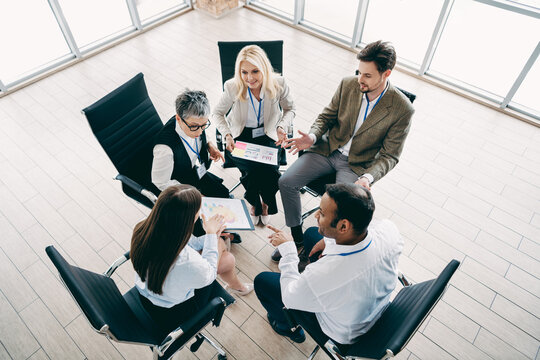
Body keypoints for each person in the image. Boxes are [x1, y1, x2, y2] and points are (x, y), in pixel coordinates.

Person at [275, 40, 413, 262]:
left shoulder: (402, 109)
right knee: (286, 181)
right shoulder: (348, 84)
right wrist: (311, 136)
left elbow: (390, 156)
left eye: (367, 75)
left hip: (357, 165)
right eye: (359, 72)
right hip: (328, 149)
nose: (360, 79)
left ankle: (326, 249)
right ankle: (297, 239)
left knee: (342, 211)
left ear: (386, 74)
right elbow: (327, 117)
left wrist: (367, 178)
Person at [254, 183, 403, 346]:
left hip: (345, 332)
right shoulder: (389, 229)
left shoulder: (325, 274)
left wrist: (289, 251)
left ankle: (287, 327)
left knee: (262, 281)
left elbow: (289, 298)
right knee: (312, 233)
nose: (316, 215)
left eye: (322, 213)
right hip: (375, 304)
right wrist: (330, 241)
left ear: (343, 226)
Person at [131, 185, 253, 336]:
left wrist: (213, 234)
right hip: (174, 312)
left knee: (222, 249)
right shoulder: (188, 262)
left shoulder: (145, 225)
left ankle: (236, 285)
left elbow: (192, 242)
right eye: (198, 212)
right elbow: (209, 275)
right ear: (190, 218)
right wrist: (211, 236)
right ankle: (236, 285)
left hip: (147, 291)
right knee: (227, 258)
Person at [213, 45, 295, 226]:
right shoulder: (233, 86)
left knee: (270, 171)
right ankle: (255, 202)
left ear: (264, 68)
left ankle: (264, 203)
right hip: (241, 135)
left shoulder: (279, 83)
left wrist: (281, 126)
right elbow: (217, 114)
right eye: (244, 72)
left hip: (269, 133)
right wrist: (227, 135)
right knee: (251, 171)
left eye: (255, 71)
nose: (249, 78)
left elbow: (290, 109)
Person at [152, 89, 240, 242]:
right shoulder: (164, 149)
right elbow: (160, 182)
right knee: (200, 218)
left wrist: (209, 145)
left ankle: (221, 230)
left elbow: (198, 138)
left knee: (224, 195)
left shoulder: (195, 124)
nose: (199, 131)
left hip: (195, 172)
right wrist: (193, 195)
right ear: (178, 119)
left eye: (203, 125)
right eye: (194, 127)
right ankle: (211, 237)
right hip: (179, 185)